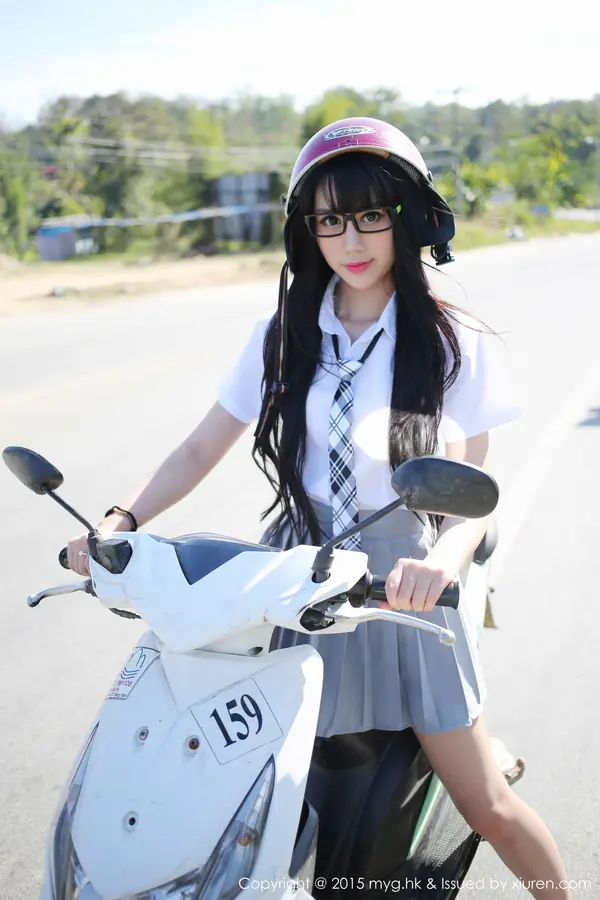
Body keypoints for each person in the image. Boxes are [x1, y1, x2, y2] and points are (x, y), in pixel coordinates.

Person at [68, 118, 571, 899]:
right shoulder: (284, 334)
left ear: (407, 216)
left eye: (370, 214)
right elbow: (199, 449)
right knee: (248, 797)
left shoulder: (448, 337)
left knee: (486, 804)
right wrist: (119, 522)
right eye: (330, 220)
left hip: (403, 583)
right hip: (294, 577)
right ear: (309, 231)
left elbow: (472, 489)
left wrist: (440, 563)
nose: (351, 239)